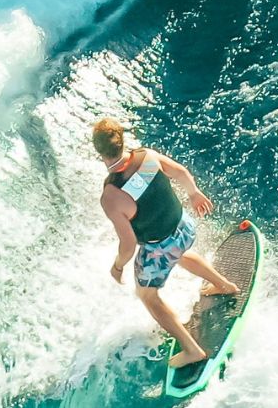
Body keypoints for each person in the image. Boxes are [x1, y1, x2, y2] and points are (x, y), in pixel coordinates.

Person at [93, 117, 240, 369]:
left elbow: (128, 244)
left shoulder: (112, 196)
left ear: (99, 152)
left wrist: (118, 266)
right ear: (121, 141)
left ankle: (192, 350)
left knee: (148, 295)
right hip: (183, 227)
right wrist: (194, 193)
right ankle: (224, 285)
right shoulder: (147, 157)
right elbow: (181, 172)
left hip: (159, 247)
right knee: (180, 253)